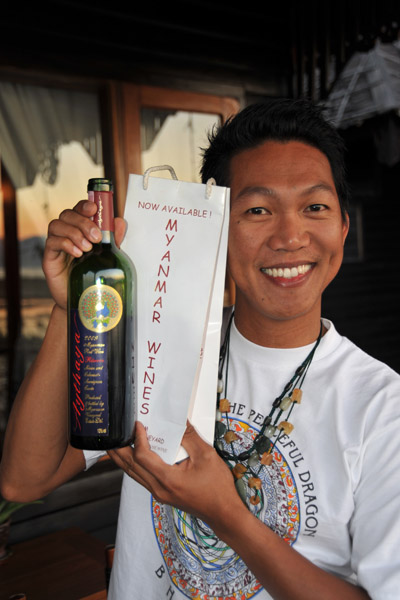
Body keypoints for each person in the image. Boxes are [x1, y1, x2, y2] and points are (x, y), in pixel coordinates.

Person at [1, 98, 399, 600]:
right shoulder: (158, 347)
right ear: (218, 232)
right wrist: (69, 307)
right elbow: (23, 480)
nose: (290, 236)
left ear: (342, 226)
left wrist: (226, 514)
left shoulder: (382, 410)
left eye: (314, 207)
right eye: (257, 209)